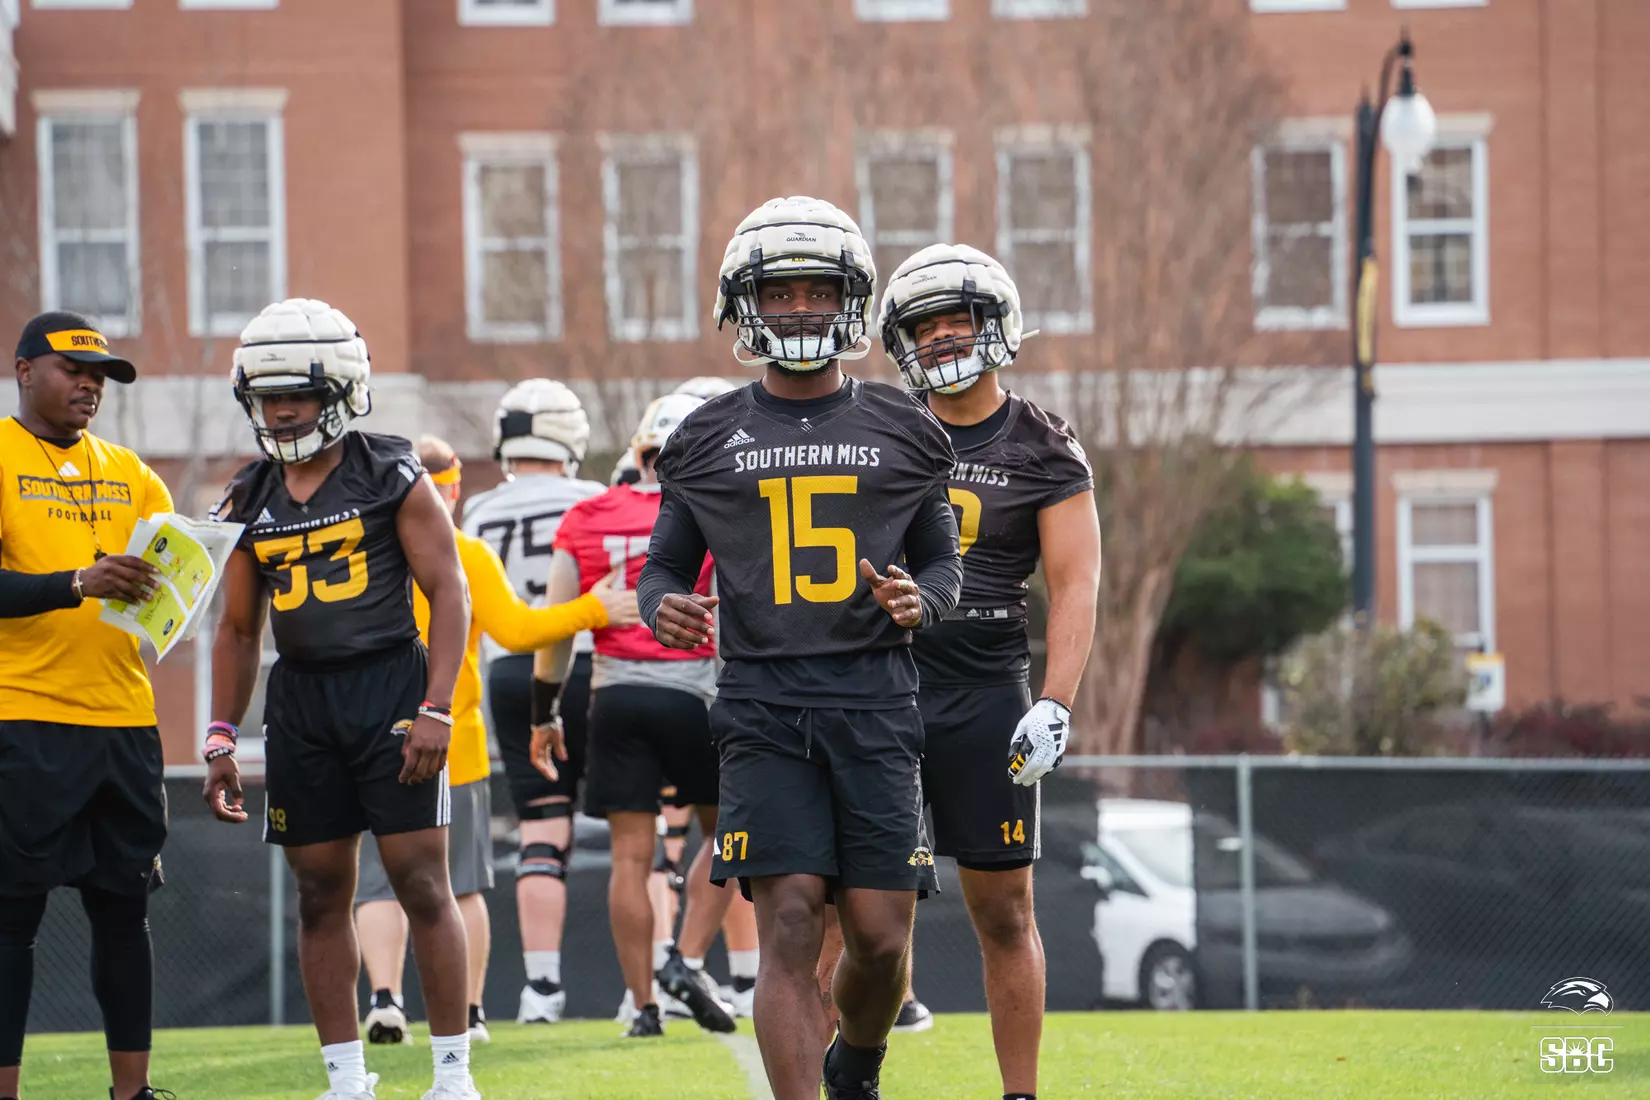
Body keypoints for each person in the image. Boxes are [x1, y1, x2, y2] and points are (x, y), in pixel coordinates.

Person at [637, 196, 963, 1100]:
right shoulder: (704, 435)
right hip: (763, 706)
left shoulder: (906, 426)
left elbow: (944, 564)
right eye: (780, 293)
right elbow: (663, 567)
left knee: (881, 938)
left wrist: (923, 600)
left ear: (851, 300)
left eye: (819, 290)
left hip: (876, 700)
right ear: (745, 305)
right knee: (787, 921)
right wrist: (662, 606)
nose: (801, 308)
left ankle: (855, 1065)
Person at [201, 299, 478, 1100]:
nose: (284, 410)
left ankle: (453, 1075)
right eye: (270, 396)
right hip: (301, 701)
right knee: (319, 893)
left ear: (342, 391)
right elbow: (238, 629)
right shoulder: (248, 492)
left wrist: (436, 707)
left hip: (389, 685)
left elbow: (449, 591)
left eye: (300, 393)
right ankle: (348, 1079)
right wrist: (220, 736)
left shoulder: (390, 470)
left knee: (421, 882)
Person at [882, 244, 1101, 1100]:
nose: (941, 337)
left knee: (1006, 911)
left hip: (985, 691)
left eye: (956, 320)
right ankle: (849, 1078)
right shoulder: (882, 428)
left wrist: (1056, 702)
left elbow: (1075, 582)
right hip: (882, 688)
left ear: (997, 325)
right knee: (858, 913)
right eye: (924, 326)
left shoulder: (1044, 442)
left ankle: (1020, 1094)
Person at [354, 437, 639, 1047]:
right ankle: (471, 1011)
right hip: (451, 742)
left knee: (379, 884)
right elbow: (516, 631)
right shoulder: (464, 552)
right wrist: (592, 608)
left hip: (374, 741)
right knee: (459, 886)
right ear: (453, 488)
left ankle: (384, 1000)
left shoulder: (364, 554)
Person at [0, 312, 172, 1100]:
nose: (89, 385)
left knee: (124, 912)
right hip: (24, 717)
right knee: (11, 919)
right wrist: (76, 583)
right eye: (73, 370)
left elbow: (172, 577)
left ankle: (132, 1094)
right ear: (24, 371)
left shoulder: (132, 472)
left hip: (124, 721)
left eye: (99, 375)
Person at [537, 393, 735, 1038]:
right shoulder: (717, 506)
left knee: (630, 856)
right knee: (734, 833)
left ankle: (643, 1007)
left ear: (641, 451)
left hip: (615, 696)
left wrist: (544, 711)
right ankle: (688, 957)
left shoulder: (587, 514)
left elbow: (557, 628)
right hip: (695, 693)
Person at [460, 379, 604, 1025]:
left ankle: (540, 989)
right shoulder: (592, 499)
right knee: (643, 826)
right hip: (589, 659)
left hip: (512, 669)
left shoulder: (480, 511)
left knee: (541, 829)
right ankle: (655, 978)